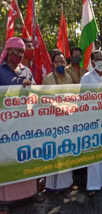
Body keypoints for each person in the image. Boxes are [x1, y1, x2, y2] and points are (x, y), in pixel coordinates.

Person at [0, 37, 41, 214]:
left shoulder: (26, 71)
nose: (19, 55)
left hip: (24, 123)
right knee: (6, 158)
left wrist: (31, 86)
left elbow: (37, 91)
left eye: (22, 52)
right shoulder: (0, 70)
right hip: (4, 126)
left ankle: (31, 192)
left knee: (25, 155)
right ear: (8, 51)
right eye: (16, 51)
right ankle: (4, 200)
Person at [80, 50, 102, 196]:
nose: (100, 61)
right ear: (92, 62)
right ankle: (93, 185)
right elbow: (82, 97)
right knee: (94, 150)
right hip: (92, 120)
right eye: (97, 59)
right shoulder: (86, 78)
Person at [43, 52, 74, 191]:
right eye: (58, 62)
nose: (61, 64)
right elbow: (44, 101)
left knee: (66, 150)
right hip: (52, 121)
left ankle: (65, 184)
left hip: (67, 119)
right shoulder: (47, 79)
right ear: (53, 63)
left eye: (63, 61)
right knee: (53, 152)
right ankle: (51, 185)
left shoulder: (69, 78)